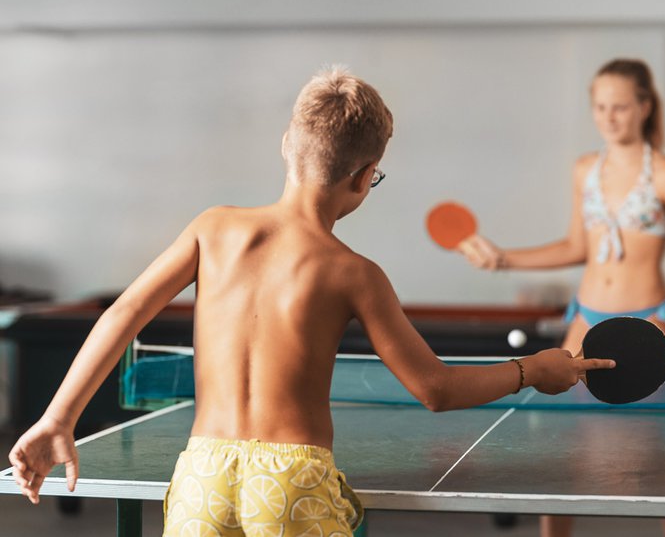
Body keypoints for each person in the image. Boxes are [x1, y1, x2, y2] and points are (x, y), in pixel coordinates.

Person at [7, 67, 616, 537]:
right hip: (291, 481)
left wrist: (58, 419)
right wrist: (530, 371)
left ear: (285, 146)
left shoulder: (213, 227)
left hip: (201, 478)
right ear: (363, 176)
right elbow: (436, 389)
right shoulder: (354, 272)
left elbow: (123, 315)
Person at [458, 58, 665, 537]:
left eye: (621, 107)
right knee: (563, 447)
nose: (609, 117)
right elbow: (576, 247)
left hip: (649, 323)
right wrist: (505, 259)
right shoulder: (584, 170)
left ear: (645, 107)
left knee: (662, 453)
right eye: (601, 107)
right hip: (584, 320)